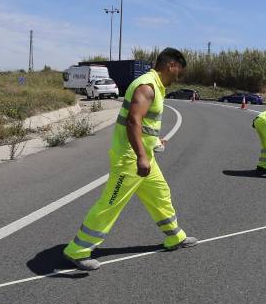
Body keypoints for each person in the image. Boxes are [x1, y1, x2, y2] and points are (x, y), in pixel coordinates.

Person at [63, 48, 197, 270]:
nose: (178, 77)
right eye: (178, 72)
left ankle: (175, 236)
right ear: (171, 65)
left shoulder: (155, 86)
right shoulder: (147, 86)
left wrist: (154, 142)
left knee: (160, 194)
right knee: (111, 202)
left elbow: (144, 125)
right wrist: (141, 156)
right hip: (131, 158)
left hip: (143, 156)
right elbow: (133, 121)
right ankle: (77, 250)